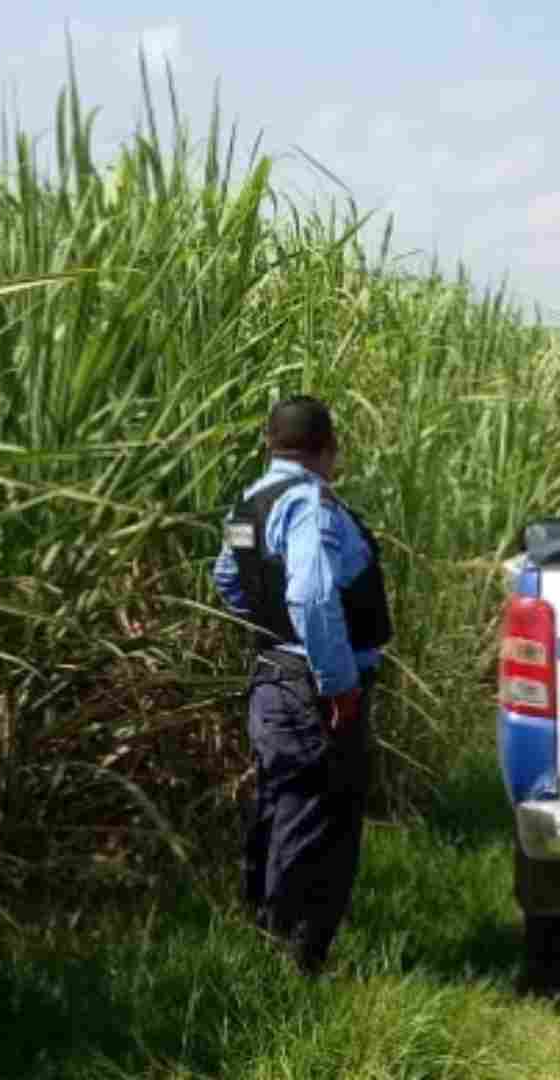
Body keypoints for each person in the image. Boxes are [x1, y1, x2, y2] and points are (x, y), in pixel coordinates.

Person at [213, 395, 393, 976]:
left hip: (271, 678)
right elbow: (312, 597)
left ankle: (266, 947)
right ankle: (298, 963)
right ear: (326, 449)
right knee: (321, 819)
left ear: (271, 443)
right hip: (313, 688)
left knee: (279, 808)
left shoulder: (249, 505)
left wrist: (273, 635)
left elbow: (227, 581)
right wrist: (337, 685)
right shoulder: (308, 506)